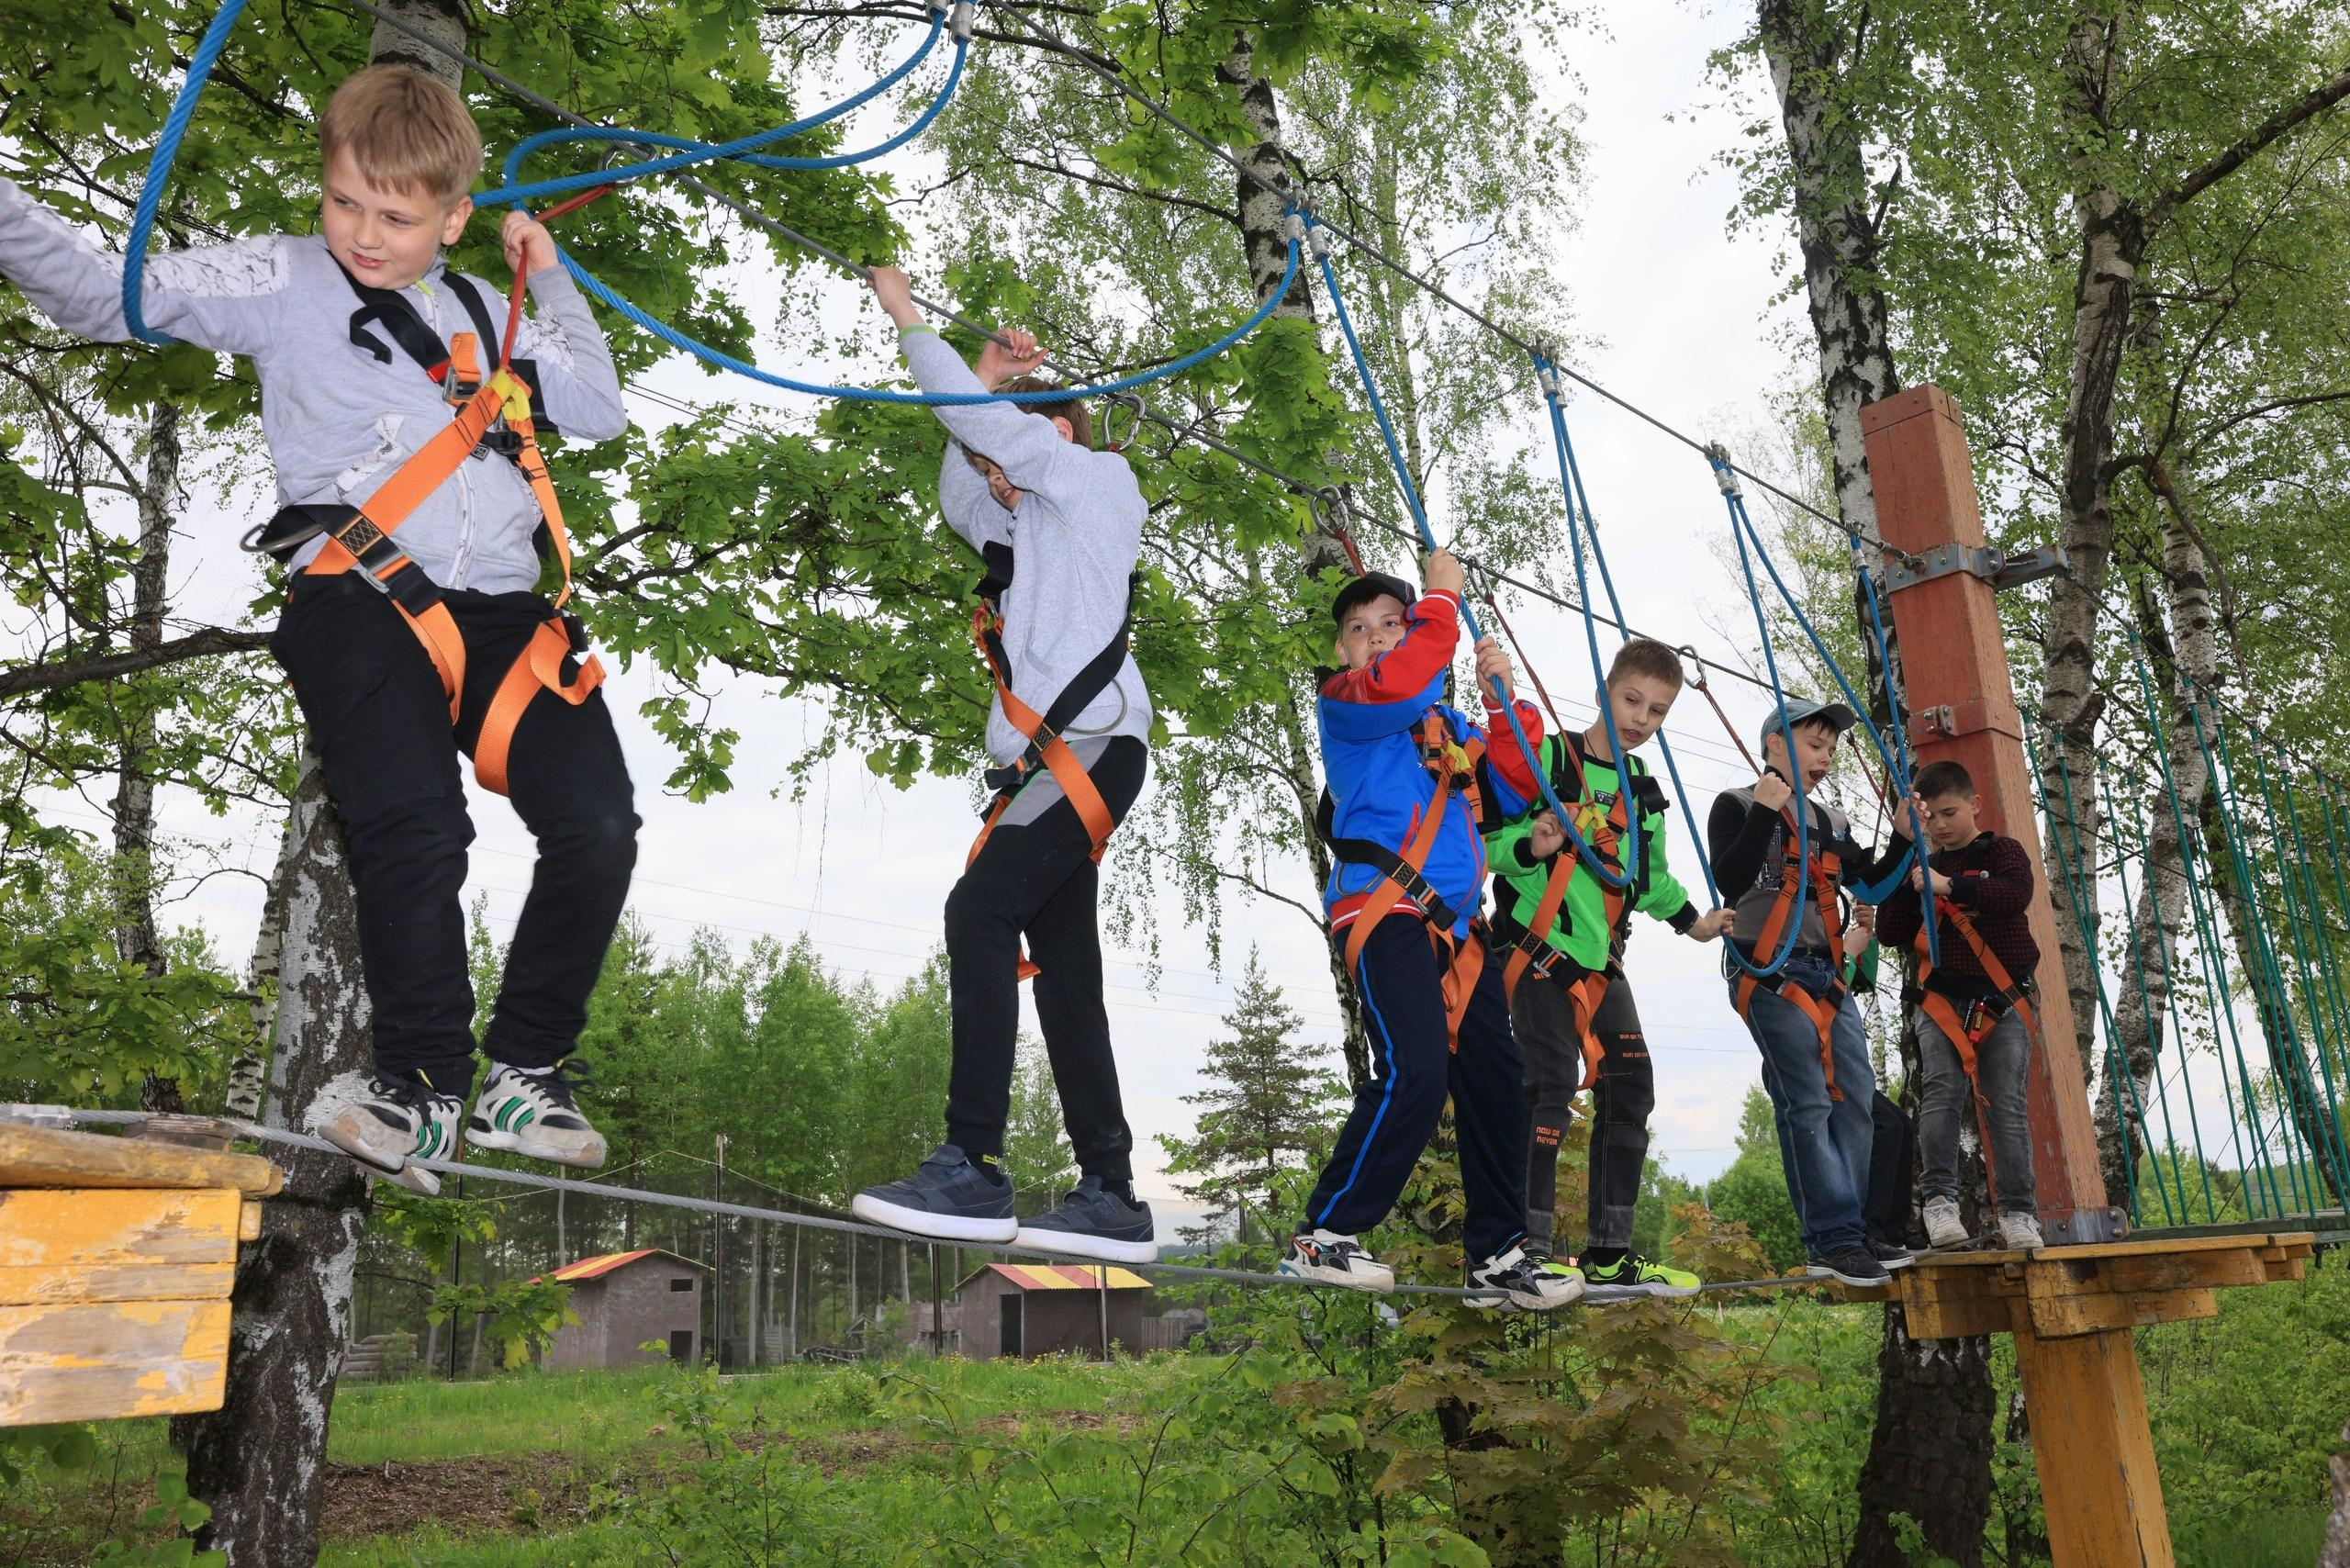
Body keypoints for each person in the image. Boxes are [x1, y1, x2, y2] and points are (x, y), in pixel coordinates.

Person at [0, 66, 634, 1194]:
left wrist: (550, 272)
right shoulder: (284, 276)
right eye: (345, 203)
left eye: (398, 218)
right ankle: (422, 1084)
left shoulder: (491, 313)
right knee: (417, 830)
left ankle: (524, 1071)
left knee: (596, 824)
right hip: (359, 592)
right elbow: (106, 297)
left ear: (453, 219)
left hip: (498, 614)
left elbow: (595, 406)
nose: (365, 235)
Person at [850, 269, 1157, 1264]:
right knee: (1066, 972)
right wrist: (981, 384)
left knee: (976, 912)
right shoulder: (1032, 529)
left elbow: (998, 436)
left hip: (1092, 749)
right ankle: (1108, 1185)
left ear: (1054, 438)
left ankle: (971, 1161)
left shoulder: (1098, 487)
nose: (996, 467)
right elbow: (960, 491)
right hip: (1057, 764)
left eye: (1016, 441)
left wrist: (909, 318)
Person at [1279, 554, 1581, 1311]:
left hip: (1455, 931)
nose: (1375, 639)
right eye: (1359, 629)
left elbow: (1521, 783)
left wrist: (1505, 704)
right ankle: (1326, 1230)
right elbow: (1400, 681)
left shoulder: (1449, 731)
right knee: (1416, 1068)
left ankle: (1496, 1252)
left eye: (1391, 625)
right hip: (1382, 909)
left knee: (1495, 1080)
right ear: (1343, 651)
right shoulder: (1348, 704)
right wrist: (1440, 601)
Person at [1483, 638, 1729, 1298]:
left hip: (1601, 961)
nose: (1640, 719)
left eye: (1657, 711)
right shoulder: (1548, 760)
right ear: (1605, 688)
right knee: (1550, 1084)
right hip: (1535, 946)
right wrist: (1532, 844)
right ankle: (1524, 1249)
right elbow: (1486, 844)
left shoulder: (1641, 793)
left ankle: (1609, 1252)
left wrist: (1694, 922)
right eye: (1632, 700)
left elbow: (1647, 881)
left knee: (1632, 1086)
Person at [1708, 700, 1915, 1286]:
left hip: (1828, 972)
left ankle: (1854, 1230)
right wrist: (1766, 814)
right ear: (1775, 745)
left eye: (1829, 749)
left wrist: (1901, 841)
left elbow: (1872, 884)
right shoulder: (1738, 804)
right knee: (1808, 1101)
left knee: (1854, 1093)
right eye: (1812, 745)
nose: (1824, 758)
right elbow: (1730, 877)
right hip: (1769, 970)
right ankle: (1833, 1236)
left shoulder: (1831, 822)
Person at [1874, 759, 2044, 1251]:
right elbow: (1891, 934)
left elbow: (2016, 895)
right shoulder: (1922, 867)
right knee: (1941, 1093)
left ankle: (2018, 1213)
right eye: (1931, 820)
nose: (1942, 825)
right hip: (1943, 999)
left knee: (2006, 1107)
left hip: (2001, 998)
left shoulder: (2003, 852)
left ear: (1974, 805)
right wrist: (1909, 890)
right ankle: (1940, 1205)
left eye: (1950, 813)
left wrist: (1953, 887)